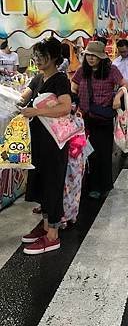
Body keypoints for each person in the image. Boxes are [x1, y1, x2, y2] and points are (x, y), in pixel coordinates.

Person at [20, 38, 72, 255]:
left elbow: (66, 107)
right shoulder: (39, 78)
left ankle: (53, 235)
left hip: (54, 143)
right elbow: (24, 97)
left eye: (42, 56)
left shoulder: (60, 80)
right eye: (36, 56)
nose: (38, 60)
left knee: (52, 185)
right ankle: (44, 228)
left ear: (53, 57)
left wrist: (36, 111)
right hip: (39, 143)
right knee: (41, 183)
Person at [71, 41, 127, 199]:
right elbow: (73, 87)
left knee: (103, 153)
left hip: (103, 119)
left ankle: (103, 185)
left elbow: (124, 85)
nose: (91, 58)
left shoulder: (111, 70)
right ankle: (91, 185)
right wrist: (75, 101)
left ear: (102, 57)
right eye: (89, 55)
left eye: (94, 56)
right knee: (88, 153)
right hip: (85, 119)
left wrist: (117, 96)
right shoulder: (82, 71)